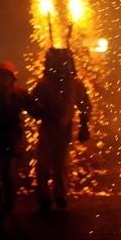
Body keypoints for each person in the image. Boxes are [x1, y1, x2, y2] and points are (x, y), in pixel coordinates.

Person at [30, 48, 91, 212]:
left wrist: (84, 126)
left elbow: (85, 106)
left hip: (65, 130)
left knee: (60, 164)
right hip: (48, 129)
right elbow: (31, 104)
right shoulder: (44, 85)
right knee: (43, 165)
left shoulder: (75, 84)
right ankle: (44, 199)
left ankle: (60, 197)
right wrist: (43, 113)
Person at [0, 61, 33, 214]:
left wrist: (47, 114)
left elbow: (33, 107)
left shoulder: (19, 93)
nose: (3, 78)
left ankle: (9, 202)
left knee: (6, 171)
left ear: (12, 78)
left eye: (6, 75)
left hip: (9, 137)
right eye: (1, 75)